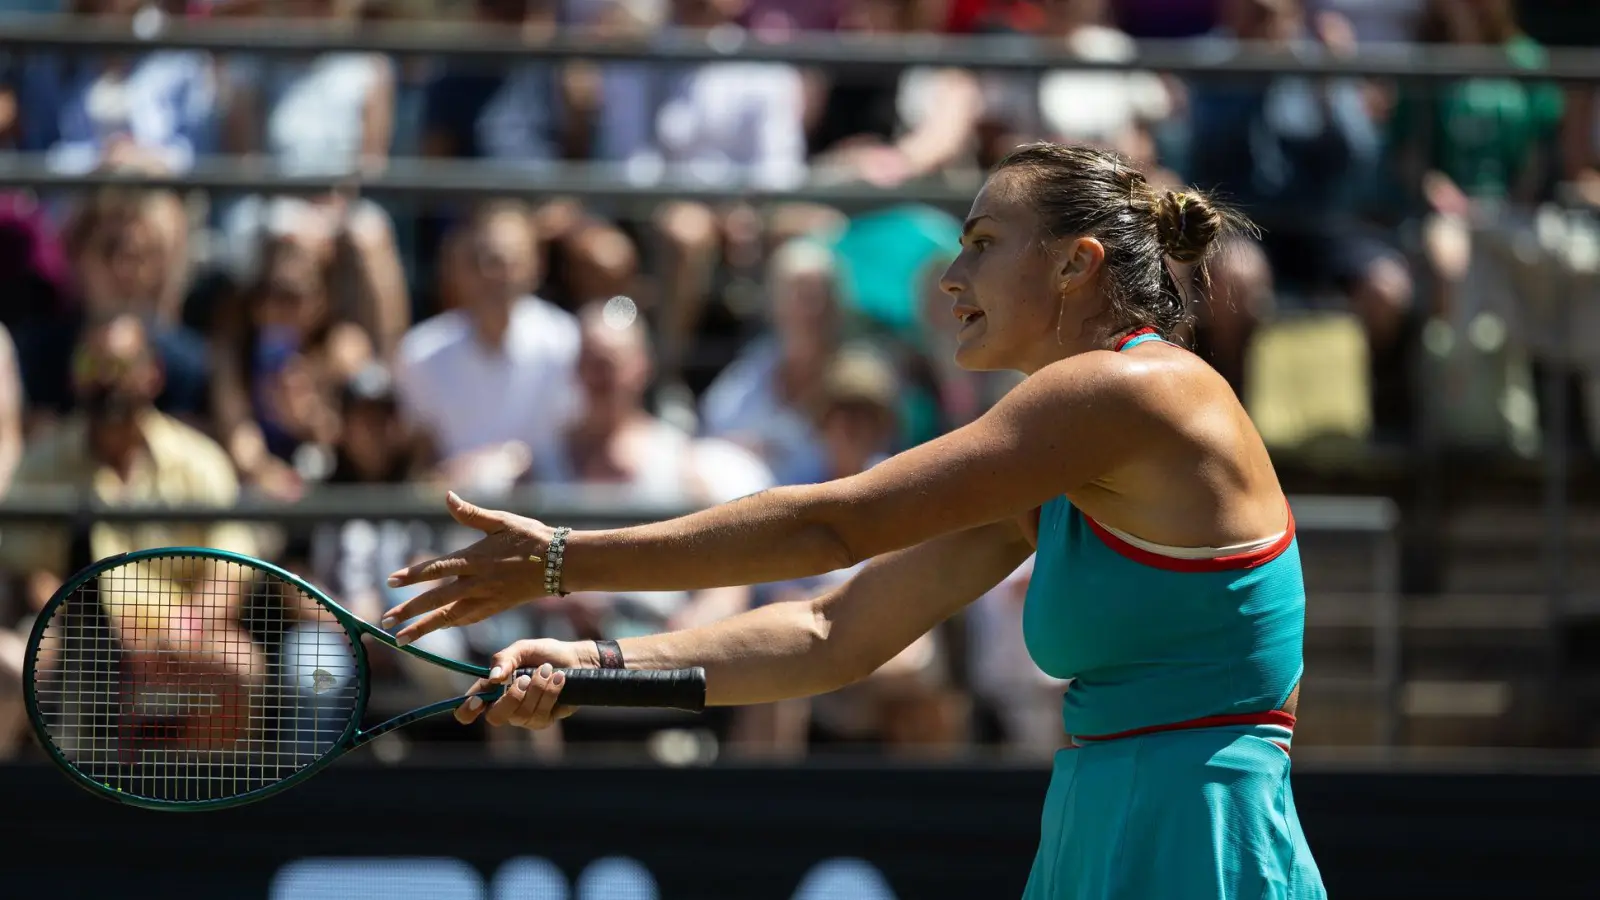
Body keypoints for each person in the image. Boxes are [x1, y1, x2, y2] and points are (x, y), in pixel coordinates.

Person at [381, 142, 1326, 900]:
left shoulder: (1130, 390)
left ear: (1077, 267)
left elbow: (834, 526)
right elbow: (834, 629)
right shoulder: (1062, 453)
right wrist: (599, 667)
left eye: (983, 243)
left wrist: (561, 558)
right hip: (1097, 825)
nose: (950, 277)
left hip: (1197, 839)